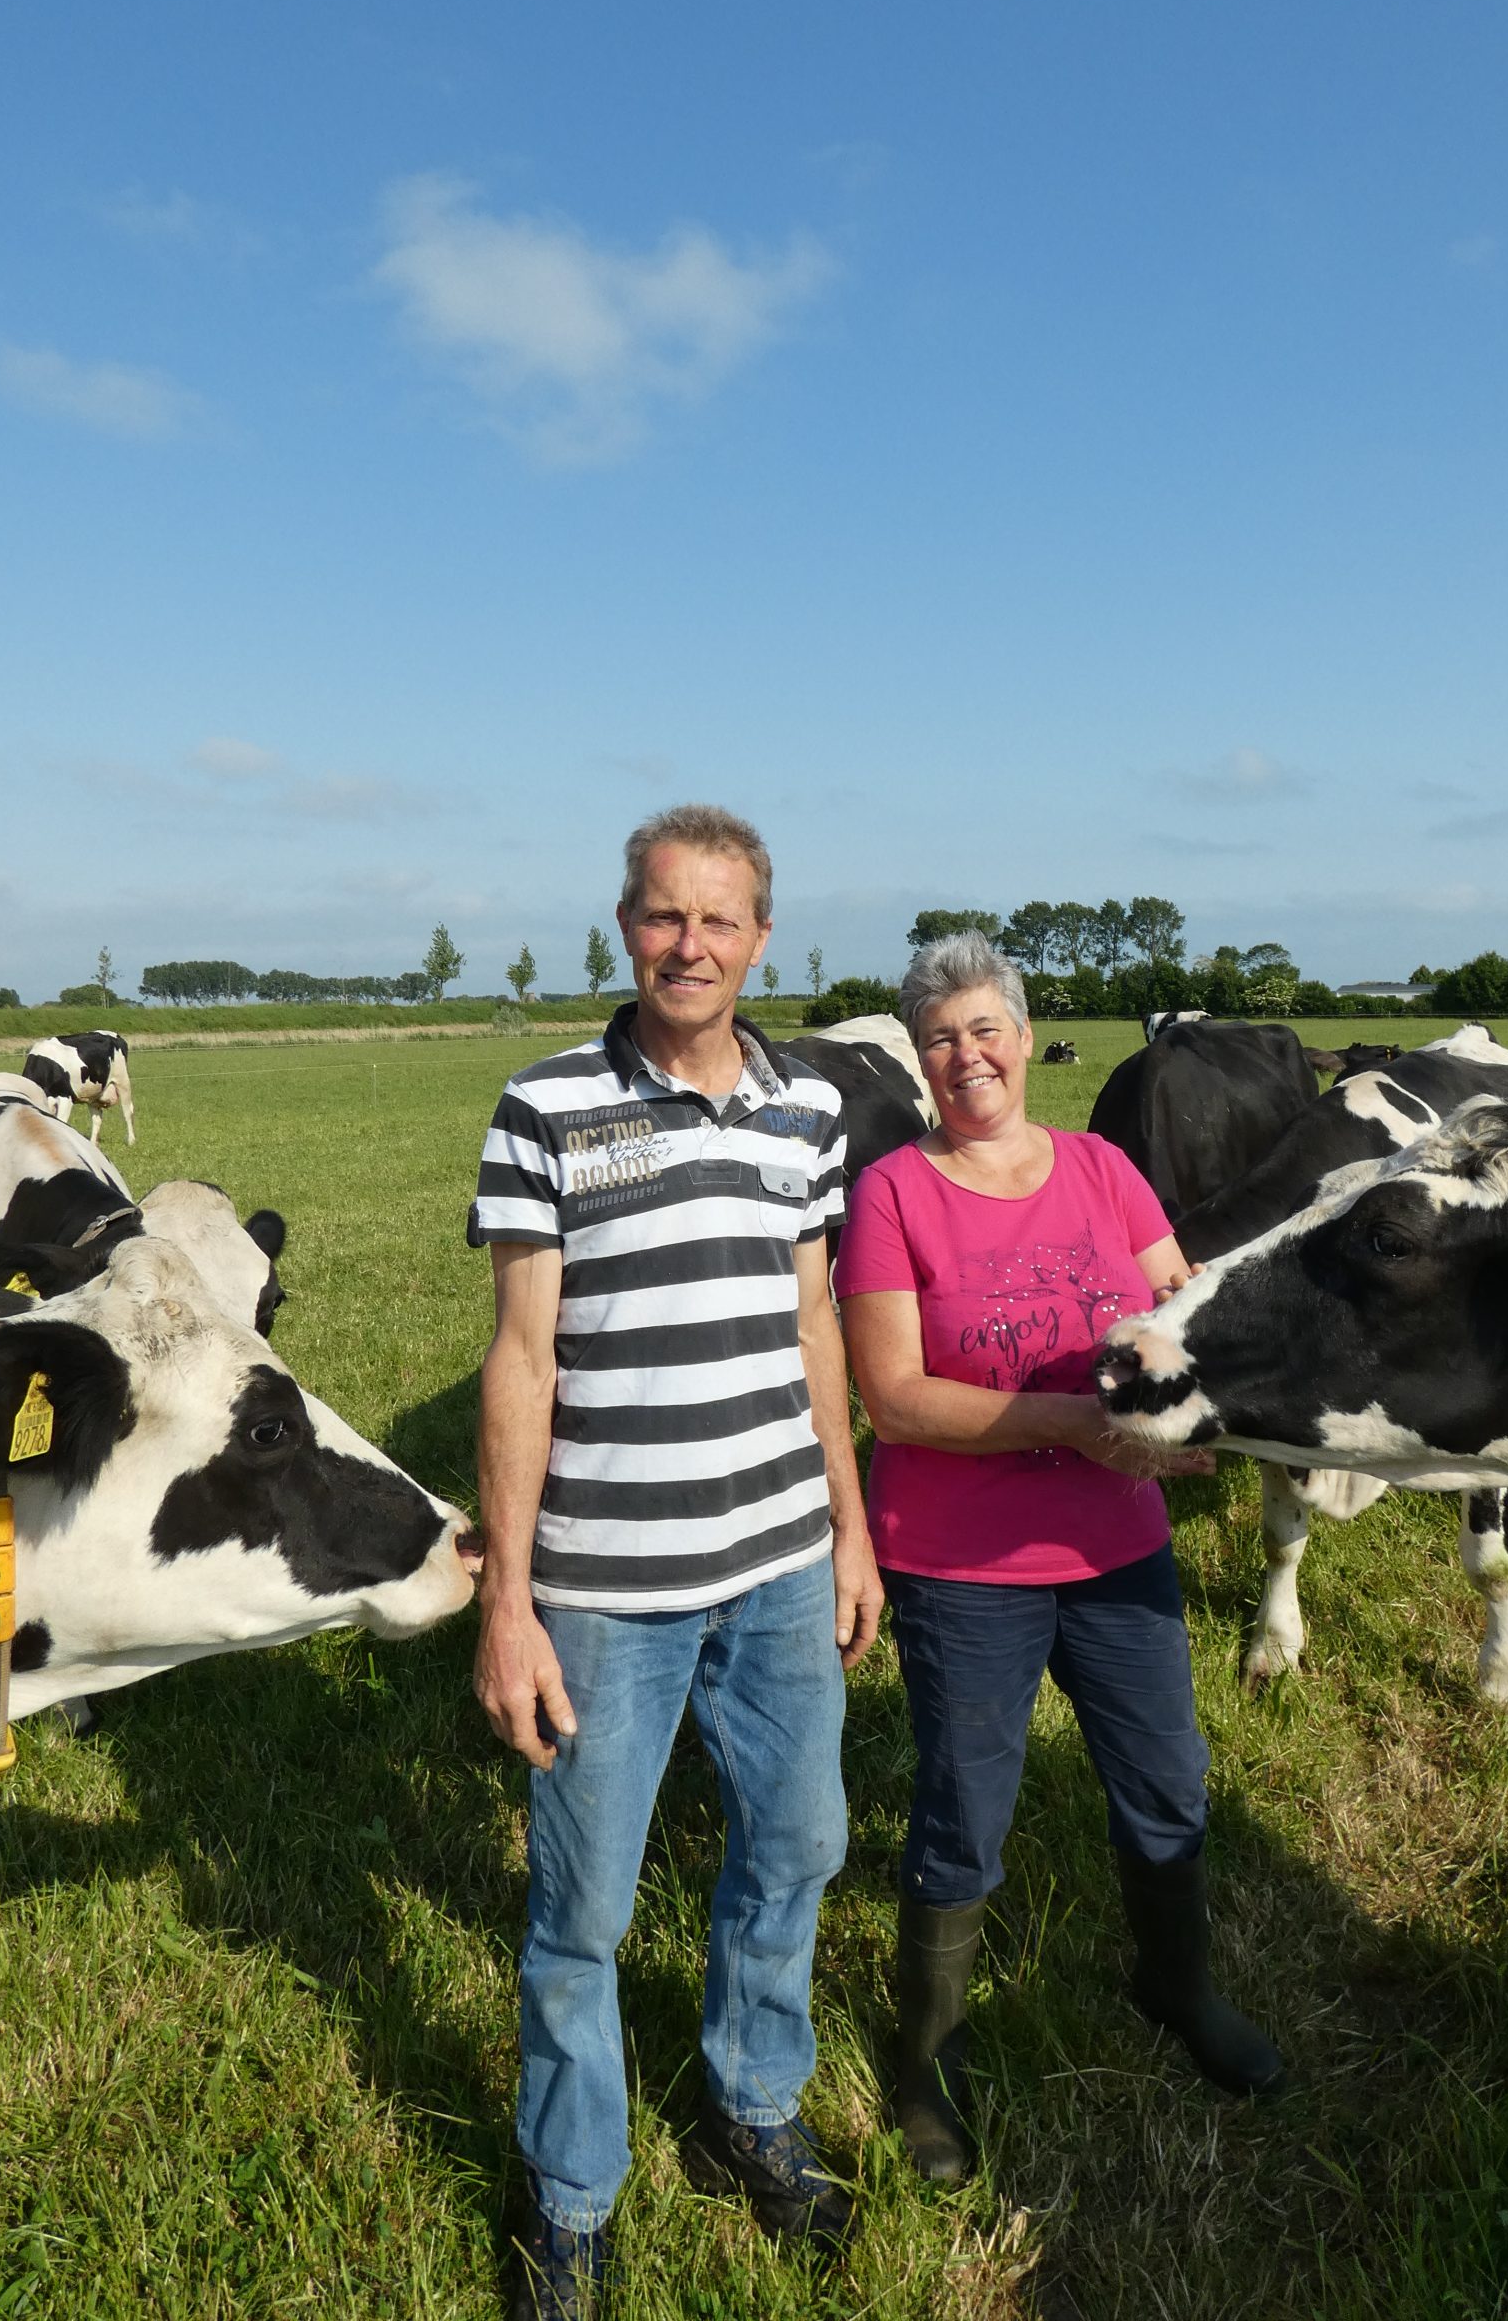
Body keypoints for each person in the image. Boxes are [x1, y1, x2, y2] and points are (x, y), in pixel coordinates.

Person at [468, 803, 883, 2318]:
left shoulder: (808, 1112)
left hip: (779, 1561)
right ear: (625, 925)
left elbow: (814, 1324)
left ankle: (750, 2110)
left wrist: (849, 1527)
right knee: (581, 1912)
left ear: (760, 938)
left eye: (718, 920)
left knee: (801, 1847)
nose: (688, 944)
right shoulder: (547, 1104)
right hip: (605, 1589)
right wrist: (510, 1603)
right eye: (662, 915)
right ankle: (573, 2194)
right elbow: (521, 1362)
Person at [835, 931, 1283, 2185]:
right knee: (963, 1816)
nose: (966, 1056)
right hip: (962, 1566)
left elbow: (1173, 1317)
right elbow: (897, 1398)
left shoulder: (1102, 1169)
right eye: (939, 1037)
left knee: (1167, 1781)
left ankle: (1174, 1988)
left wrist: (1174, 1411)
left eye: (985, 1028)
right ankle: (928, 2062)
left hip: (1117, 1548)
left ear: (1027, 1038)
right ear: (918, 1059)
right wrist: (1081, 1423)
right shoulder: (894, 1195)